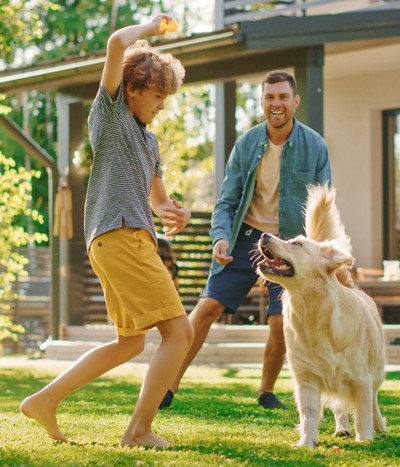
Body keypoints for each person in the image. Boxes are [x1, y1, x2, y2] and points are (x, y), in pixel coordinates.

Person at [20, 15, 194, 448]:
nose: (161, 105)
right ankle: (138, 431)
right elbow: (117, 43)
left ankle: (44, 400)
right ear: (132, 89)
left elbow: (159, 201)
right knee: (180, 333)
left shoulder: (150, 142)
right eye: (157, 95)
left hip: (121, 238)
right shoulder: (111, 116)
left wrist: (177, 213)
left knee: (130, 343)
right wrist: (152, 29)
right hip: (121, 235)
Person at [159, 70, 332, 411]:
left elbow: (323, 210)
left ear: (295, 101)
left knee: (282, 321)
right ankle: (167, 385)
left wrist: (322, 254)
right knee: (207, 308)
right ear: (262, 102)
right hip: (247, 237)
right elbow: (226, 202)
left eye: (283, 97)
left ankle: (266, 392)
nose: (276, 104)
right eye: (270, 97)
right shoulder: (246, 144)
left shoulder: (315, 146)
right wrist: (220, 237)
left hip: (289, 245)